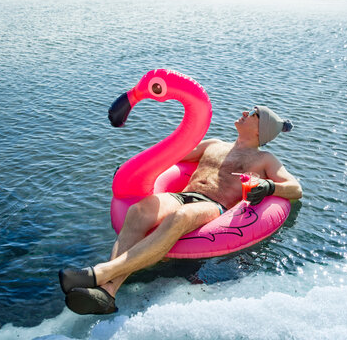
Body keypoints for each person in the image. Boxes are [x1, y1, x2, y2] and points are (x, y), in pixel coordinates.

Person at [59, 105, 303, 315]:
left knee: (182, 217)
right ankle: (107, 292)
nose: (244, 113)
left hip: (214, 207)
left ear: (262, 130)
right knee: (138, 211)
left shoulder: (266, 159)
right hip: (182, 195)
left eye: (252, 113)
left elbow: (295, 189)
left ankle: (100, 273)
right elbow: (169, 157)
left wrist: (269, 186)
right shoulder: (214, 144)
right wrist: (132, 171)